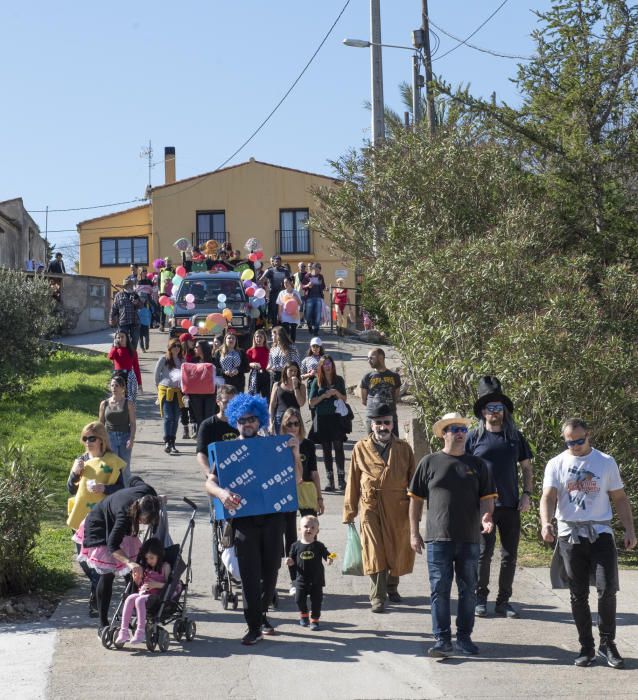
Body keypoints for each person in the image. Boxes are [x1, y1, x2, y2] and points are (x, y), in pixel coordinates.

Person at [540, 417, 636, 669]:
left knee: (607, 589)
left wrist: (629, 529)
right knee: (578, 594)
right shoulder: (556, 463)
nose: (575, 446)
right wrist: (545, 522)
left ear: (588, 435)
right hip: (570, 535)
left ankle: (607, 643)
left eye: (580, 441)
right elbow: (548, 496)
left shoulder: (605, 462)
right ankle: (586, 647)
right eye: (570, 442)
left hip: (600, 532)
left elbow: (620, 498)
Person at [409, 412, 496, 658]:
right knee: (439, 589)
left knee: (468, 591)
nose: (460, 433)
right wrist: (414, 533)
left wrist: (487, 517)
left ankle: (465, 638)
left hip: (469, 538)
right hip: (437, 538)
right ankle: (442, 640)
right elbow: (415, 501)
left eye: (463, 429)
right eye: (454, 429)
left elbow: (487, 499)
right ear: (443, 434)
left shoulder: (478, 465)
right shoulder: (428, 462)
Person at [205, 394, 287, 645]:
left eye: (252, 419)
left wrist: (293, 452)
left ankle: (261, 614)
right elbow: (210, 482)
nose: (248, 423)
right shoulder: (227, 452)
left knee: (271, 571)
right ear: (235, 422)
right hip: (243, 521)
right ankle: (253, 625)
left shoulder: (273, 446)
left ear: (259, 419)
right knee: (250, 575)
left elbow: (294, 480)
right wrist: (222, 493)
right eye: (242, 420)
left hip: (273, 519)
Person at [467, 376, 533, 619]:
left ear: (503, 410)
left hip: (510, 505)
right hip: (483, 506)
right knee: (483, 555)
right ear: (483, 411)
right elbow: (463, 469)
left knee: (509, 556)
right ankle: (479, 599)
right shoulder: (473, 438)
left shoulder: (515, 437)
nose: (494, 412)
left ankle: (503, 601)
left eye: (498, 407)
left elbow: (526, 468)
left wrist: (526, 495)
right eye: (489, 407)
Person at [343, 404, 416, 613]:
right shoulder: (360, 447)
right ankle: (377, 596)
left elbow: (414, 481)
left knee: (396, 548)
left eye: (386, 422)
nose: (383, 427)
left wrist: (416, 511)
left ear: (392, 424)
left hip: (398, 506)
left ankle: (392, 587)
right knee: (374, 550)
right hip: (370, 506)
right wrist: (349, 511)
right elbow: (353, 481)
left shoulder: (404, 448)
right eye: (378, 423)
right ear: (371, 425)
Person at [73, 477, 161, 635]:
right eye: (144, 520)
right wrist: (130, 563)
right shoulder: (124, 515)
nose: (145, 524)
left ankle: (134, 615)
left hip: (120, 526)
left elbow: (134, 480)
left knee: (134, 575)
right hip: (100, 524)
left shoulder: (148, 493)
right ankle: (103, 624)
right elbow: (112, 545)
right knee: (108, 574)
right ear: (138, 512)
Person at [66, 422, 125, 617]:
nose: (88, 442)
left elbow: (122, 490)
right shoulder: (81, 460)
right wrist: (75, 473)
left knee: (97, 560)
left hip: (102, 518)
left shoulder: (112, 461)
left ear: (101, 440)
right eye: (85, 438)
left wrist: (105, 488)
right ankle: (96, 588)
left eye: (92, 438)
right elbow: (71, 489)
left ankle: (97, 601)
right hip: (80, 517)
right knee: (83, 560)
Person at [115, 537, 171, 645]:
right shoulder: (146, 568)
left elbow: (170, 586)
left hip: (157, 597)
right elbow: (140, 585)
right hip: (144, 593)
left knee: (140, 600)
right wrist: (137, 581)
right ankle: (124, 631)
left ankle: (140, 632)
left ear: (159, 556)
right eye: (146, 558)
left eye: (151, 558)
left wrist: (155, 584)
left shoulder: (165, 567)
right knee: (130, 597)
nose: (148, 561)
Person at [286, 515, 333, 630]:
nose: (309, 529)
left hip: (316, 580)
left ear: (317, 531)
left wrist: (330, 558)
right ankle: (304, 614)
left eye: (312, 527)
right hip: (301, 579)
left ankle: (315, 620)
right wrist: (289, 561)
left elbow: (327, 555)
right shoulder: (295, 546)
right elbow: (291, 559)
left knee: (317, 601)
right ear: (299, 529)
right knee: (298, 599)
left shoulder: (319, 546)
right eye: (306, 526)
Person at [308, 355, 348, 491]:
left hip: (336, 417)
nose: (327, 366)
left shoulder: (339, 380)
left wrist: (336, 392)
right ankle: (330, 480)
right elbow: (311, 402)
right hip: (322, 418)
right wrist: (324, 396)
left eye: (329, 363)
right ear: (321, 366)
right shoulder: (316, 381)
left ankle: (342, 479)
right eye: (324, 364)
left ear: (333, 365)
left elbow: (345, 399)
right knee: (326, 449)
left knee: (338, 447)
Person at [98, 375, 136, 486]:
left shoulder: (128, 404)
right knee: (111, 467)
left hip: (125, 437)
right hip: (110, 438)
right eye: (112, 385)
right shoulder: (104, 404)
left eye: (117, 385)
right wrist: (100, 440)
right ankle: (111, 493)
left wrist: (131, 438)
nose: (114, 388)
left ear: (123, 388)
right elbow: (100, 423)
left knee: (125, 468)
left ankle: (127, 492)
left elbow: (133, 423)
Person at [196, 384, 240, 477]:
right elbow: (201, 453)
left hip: (241, 473)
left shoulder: (243, 423)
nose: (230, 406)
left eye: (233, 403)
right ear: (218, 402)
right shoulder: (207, 425)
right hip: (218, 474)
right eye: (226, 402)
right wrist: (209, 474)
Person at [360, 348, 401, 436]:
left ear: (381, 357)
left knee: (393, 444)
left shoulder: (394, 376)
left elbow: (396, 398)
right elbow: (364, 400)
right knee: (372, 445)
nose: (369, 361)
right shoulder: (367, 377)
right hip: (372, 417)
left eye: (371, 358)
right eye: (368, 358)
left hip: (390, 416)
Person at [154, 338, 184, 454]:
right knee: (168, 417)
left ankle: (173, 442)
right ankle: (167, 441)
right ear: (169, 347)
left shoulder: (182, 360)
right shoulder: (164, 359)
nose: (176, 348)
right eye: (174, 346)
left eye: (178, 346)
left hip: (178, 391)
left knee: (176, 418)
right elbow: (156, 375)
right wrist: (158, 390)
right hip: (166, 391)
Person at [184, 339, 218, 434]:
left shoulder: (214, 360)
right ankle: (201, 438)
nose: (194, 348)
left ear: (203, 348)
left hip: (210, 394)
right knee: (199, 417)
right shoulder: (193, 361)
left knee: (209, 416)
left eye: (197, 347)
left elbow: (219, 374)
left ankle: (209, 437)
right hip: (195, 394)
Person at [269, 362, 306, 435]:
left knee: (294, 443)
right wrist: (270, 422)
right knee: (280, 443)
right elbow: (272, 405)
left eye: (295, 371)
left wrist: (295, 387)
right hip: (280, 418)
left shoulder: (301, 386)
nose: (293, 373)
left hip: (294, 420)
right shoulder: (277, 385)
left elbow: (301, 403)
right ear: (285, 371)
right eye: (291, 370)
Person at [107, 331, 142, 402]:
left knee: (130, 401)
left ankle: (129, 412)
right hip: (117, 377)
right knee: (117, 400)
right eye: (118, 337)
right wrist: (115, 347)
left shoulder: (133, 352)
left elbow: (136, 368)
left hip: (129, 377)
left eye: (122, 337)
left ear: (127, 338)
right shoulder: (116, 350)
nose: (120, 339)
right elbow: (110, 357)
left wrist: (140, 383)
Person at [110, 278, 142, 350]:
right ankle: (121, 354)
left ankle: (132, 355)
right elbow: (114, 308)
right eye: (128, 285)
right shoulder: (119, 295)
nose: (130, 287)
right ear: (124, 286)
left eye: (131, 285)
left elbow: (141, 306)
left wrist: (137, 303)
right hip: (123, 321)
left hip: (135, 321)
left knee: (135, 340)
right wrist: (111, 319)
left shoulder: (135, 294)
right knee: (121, 340)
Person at [263, 255, 291, 326]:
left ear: (281, 262)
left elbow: (290, 282)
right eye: (276, 261)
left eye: (278, 261)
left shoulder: (285, 271)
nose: (277, 262)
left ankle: (284, 326)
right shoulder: (270, 271)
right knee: (274, 310)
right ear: (273, 262)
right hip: (273, 294)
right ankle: (274, 325)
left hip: (283, 293)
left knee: (284, 310)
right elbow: (262, 280)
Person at [301, 262, 326, 336]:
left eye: (320, 268)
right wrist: (308, 285)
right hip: (309, 298)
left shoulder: (320, 276)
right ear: (314, 268)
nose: (320, 270)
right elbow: (302, 286)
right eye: (319, 268)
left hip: (318, 298)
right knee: (308, 315)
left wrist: (321, 284)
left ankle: (316, 331)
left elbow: (323, 287)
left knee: (317, 315)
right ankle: (309, 327)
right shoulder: (307, 276)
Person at [276, 277, 303, 343]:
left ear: (291, 282)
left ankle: (292, 344)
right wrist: (279, 315)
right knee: (286, 329)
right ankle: (287, 344)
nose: (285, 284)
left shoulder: (296, 292)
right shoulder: (282, 293)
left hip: (294, 314)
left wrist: (296, 297)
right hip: (285, 314)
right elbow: (280, 304)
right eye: (284, 282)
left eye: (287, 282)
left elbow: (300, 303)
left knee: (293, 330)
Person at [246, 329, 271, 398]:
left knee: (266, 397)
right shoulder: (250, 351)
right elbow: (245, 364)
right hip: (255, 375)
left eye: (260, 337)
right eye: (257, 337)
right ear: (254, 338)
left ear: (264, 339)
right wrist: (251, 364)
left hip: (266, 374)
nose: (258, 339)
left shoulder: (269, 350)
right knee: (253, 396)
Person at [293, 262, 307, 327]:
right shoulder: (295, 275)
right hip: (298, 294)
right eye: (301, 266)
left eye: (304, 266)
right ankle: (299, 322)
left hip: (306, 294)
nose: (302, 267)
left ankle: (306, 322)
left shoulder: (308, 275)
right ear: (298, 267)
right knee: (299, 309)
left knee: (306, 308)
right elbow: (292, 284)